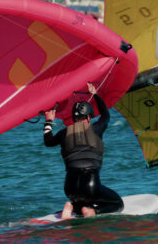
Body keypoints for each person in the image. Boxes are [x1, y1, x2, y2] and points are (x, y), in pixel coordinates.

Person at [43, 82, 123, 219]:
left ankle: (74, 206)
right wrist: (95, 95)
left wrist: (49, 121)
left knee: (82, 201)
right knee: (117, 204)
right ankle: (90, 211)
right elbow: (106, 116)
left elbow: (48, 141)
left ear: (74, 118)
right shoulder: (96, 129)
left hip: (69, 188)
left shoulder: (64, 133)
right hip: (90, 185)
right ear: (88, 117)